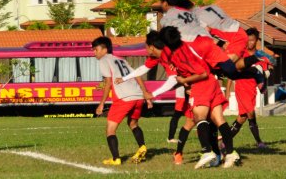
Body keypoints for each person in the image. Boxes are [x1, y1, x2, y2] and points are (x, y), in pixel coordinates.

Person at [154, 0, 267, 93]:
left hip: (221, 40)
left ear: (165, 3)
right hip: (228, 34)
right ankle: (255, 71)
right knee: (228, 69)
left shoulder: (169, 19)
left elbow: (204, 29)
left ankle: (255, 64)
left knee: (228, 70)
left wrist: (221, 43)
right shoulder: (210, 7)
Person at [160, 26, 239, 169]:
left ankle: (207, 151)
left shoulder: (179, 54)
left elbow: (201, 73)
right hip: (212, 82)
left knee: (199, 117)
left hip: (202, 84)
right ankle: (230, 152)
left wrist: (184, 81)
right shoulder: (186, 46)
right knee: (219, 119)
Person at [114, 31, 195, 165]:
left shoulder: (170, 54)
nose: (145, 50)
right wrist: (124, 78)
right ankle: (185, 153)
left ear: (151, 46)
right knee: (194, 120)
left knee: (201, 119)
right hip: (190, 85)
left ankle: (215, 150)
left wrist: (153, 94)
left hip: (199, 83)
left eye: (146, 46)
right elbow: (142, 69)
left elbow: (173, 79)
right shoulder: (158, 57)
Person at [92, 36, 151, 165]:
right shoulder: (121, 60)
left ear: (104, 49)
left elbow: (108, 83)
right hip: (138, 96)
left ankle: (115, 159)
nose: (94, 52)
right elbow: (137, 75)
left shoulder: (103, 60)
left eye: (95, 49)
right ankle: (142, 147)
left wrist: (101, 103)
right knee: (133, 124)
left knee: (110, 130)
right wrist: (145, 93)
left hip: (124, 98)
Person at [225, 28, 269, 148]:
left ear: (256, 41)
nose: (249, 43)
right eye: (248, 40)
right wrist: (228, 92)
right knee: (250, 113)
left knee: (242, 118)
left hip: (252, 90)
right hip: (241, 87)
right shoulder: (241, 54)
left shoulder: (260, 56)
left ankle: (224, 141)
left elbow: (265, 72)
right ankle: (259, 142)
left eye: (252, 40)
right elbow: (231, 74)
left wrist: (265, 79)